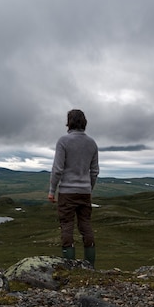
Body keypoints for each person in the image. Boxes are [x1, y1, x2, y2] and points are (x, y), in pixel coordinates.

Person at [48, 109, 99, 266]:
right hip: (85, 192)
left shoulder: (63, 141)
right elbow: (95, 171)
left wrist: (52, 190)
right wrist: (88, 188)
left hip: (67, 193)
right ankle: (90, 265)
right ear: (84, 123)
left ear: (68, 122)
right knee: (86, 225)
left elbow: (58, 169)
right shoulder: (92, 143)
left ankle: (69, 266)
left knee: (67, 226)